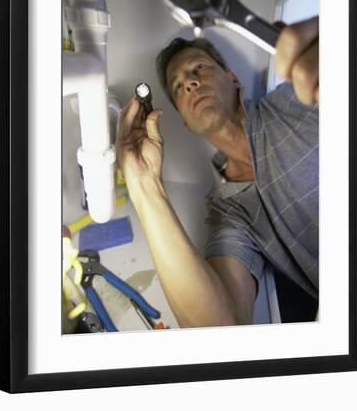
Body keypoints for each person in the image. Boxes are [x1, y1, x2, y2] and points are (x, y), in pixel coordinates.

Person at [116, 17, 319, 327]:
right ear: (185, 120)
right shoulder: (228, 211)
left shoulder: (296, 100)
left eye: (199, 69)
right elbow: (219, 328)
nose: (189, 83)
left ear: (233, 78)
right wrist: (144, 185)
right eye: (178, 87)